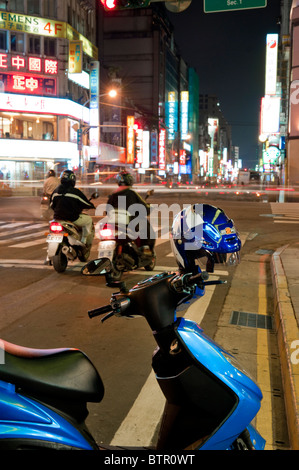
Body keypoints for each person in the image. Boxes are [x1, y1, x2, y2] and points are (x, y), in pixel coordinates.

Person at [106, 171, 155, 250]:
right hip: (130, 223)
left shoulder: (113, 195)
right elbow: (144, 208)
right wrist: (149, 208)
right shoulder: (132, 193)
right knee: (146, 228)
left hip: (114, 224)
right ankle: (146, 248)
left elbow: (107, 210)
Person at [50, 170, 95, 251]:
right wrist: (91, 206)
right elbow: (85, 203)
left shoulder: (56, 191)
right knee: (88, 220)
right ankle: (83, 242)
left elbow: (51, 205)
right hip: (72, 218)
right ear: (73, 180)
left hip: (57, 218)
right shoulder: (75, 192)